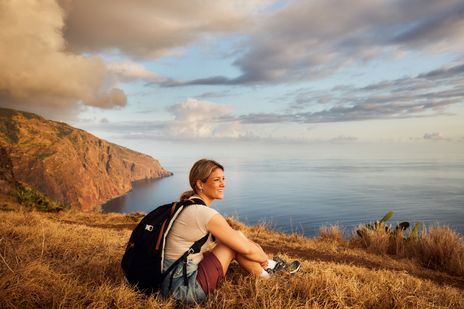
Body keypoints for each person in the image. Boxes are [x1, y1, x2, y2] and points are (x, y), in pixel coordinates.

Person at [160, 159, 298, 304]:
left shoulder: (189, 204)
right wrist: (263, 260)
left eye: (223, 179)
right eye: (217, 180)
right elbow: (246, 249)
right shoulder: (202, 213)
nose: (223, 184)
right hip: (182, 290)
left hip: (171, 278)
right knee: (234, 245)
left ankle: (270, 269)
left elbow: (236, 239)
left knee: (235, 238)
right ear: (200, 184)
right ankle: (269, 273)